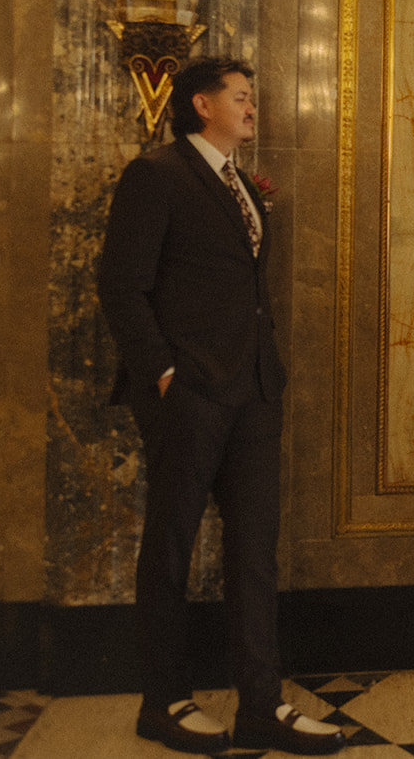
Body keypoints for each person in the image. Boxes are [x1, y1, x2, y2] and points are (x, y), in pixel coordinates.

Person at [98, 56, 345, 755]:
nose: (251, 108)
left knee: (255, 553)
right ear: (201, 104)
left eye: (251, 98)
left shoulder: (241, 183)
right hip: (191, 394)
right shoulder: (157, 175)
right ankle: (164, 701)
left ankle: (262, 705)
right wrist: (163, 374)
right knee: (170, 546)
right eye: (239, 97)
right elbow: (121, 284)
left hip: (254, 392)